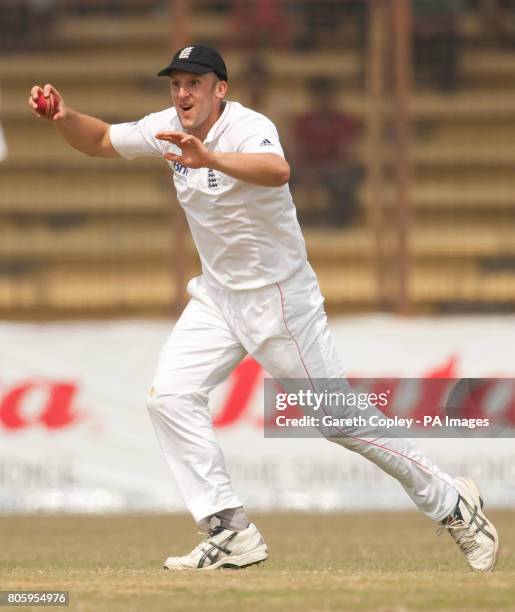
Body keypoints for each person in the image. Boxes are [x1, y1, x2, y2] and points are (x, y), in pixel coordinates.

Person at [29, 44, 499, 572]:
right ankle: (229, 529)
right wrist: (63, 117)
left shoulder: (249, 127)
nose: (183, 94)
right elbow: (96, 140)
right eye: (176, 84)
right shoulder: (165, 128)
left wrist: (210, 158)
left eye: (195, 84)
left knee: (339, 422)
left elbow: (277, 170)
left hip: (280, 299)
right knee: (170, 397)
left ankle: (452, 502)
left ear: (220, 90)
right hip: (219, 297)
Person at [290, 76, 362, 227]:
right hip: (308, 170)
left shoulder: (346, 123)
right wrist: (307, 172)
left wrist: (322, 172)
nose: (323, 101)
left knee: (344, 180)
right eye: (319, 96)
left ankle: (338, 225)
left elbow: (349, 157)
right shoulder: (302, 123)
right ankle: (291, 224)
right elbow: (297, 153)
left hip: (335, 170)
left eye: (327, 96)